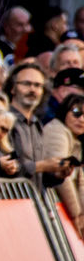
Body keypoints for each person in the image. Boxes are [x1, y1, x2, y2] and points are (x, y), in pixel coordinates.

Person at [4, 62, 73, 191]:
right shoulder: (4, 121)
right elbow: (3, 166)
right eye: (26, 84)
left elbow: (40, 178)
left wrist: (57, 174)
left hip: (34, 204)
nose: (32, 90)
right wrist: (41, 166)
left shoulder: (37, 125)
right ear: (12, 88)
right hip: (9, 203)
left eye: (37, 85)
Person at [43, 94, 84, 238]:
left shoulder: (75, 139)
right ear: (64, 112)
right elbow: (62, 173)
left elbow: (80, 182)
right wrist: (76, 215)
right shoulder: (57, 131)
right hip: (47, 207)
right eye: (76, 113)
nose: (81, 119)